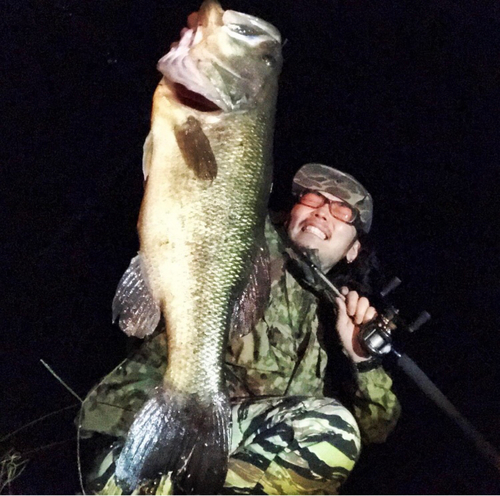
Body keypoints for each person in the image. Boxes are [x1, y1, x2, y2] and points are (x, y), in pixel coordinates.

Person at [79, 163, 400, 495]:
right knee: (331, 428)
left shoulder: (330, 322)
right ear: (290, 213)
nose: (321, 211)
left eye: (341, 210)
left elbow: (377, 427)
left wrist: (362, 358)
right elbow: (201, 190)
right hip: (142, 448)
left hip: (210, 465)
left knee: (323, 466)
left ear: (353, 250)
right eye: (313, 198)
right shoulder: (245, 241)